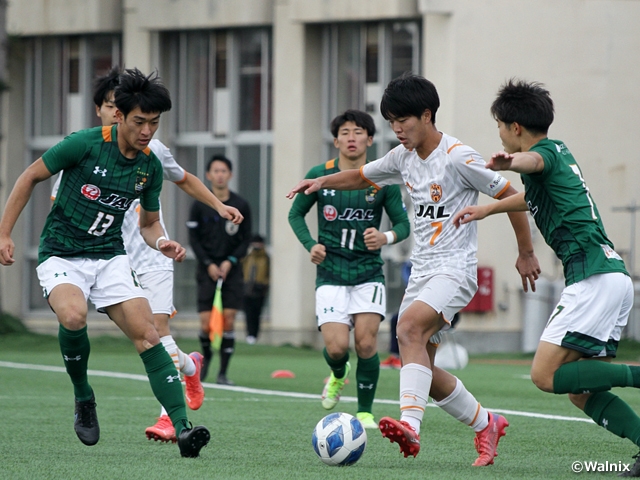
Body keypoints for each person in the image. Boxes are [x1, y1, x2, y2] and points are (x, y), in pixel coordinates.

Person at [287, 74, 540, 465]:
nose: (397, 129)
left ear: (426, 116)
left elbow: (511, 195)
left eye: (402, 121)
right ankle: (486, 423)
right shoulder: (402, 157)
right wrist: (321, 180)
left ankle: (411, 426)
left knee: (406, 330)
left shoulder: (457, 155)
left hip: (455, 270)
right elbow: (360, 175)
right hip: (422, 271)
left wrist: (525, 252)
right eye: (391, 122)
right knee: (425, 369)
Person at [0, 68, 209, 457]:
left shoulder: (149, 166)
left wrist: (161, 241)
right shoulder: (84, 144)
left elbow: (148, 223)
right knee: (74, 316)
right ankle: (83, 396)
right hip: (62, 252)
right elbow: (30, 176)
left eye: (154, 123)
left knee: (148, 335)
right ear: (119, 116)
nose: (147, 131)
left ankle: (183, 429)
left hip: (110, 256)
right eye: (139, 122)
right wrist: (4, 233)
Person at [453, 79, 640, 475]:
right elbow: (533, 193)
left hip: (593, 278)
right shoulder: (560, 153)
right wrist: (488, 210)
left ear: (514, 128)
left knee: (543, 375)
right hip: (609, 277)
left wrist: (507, 163)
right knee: (581, 393)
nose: (500, 133)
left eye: (500, 126)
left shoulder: (542, 155)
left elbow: (531, 163)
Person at [50, 66, 244, 443]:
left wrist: (218, 207)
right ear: (105, 111)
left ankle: (171, 420)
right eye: (109, 107)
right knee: (142, 336)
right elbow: (61, 201)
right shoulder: (85, 149)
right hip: (106, 256)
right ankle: (190, 367)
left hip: (151, 252)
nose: (116, 114)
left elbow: (183, 178)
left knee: (156, 333)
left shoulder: (152, 149)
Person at [288, 109, 411, 429]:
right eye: (345, 132)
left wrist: (384, 236)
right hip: (330, 271)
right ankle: (339, 373)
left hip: (368, 271)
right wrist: (310, 245)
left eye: (358, 132)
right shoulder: (320, 174)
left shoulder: (382, 179)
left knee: (367, 344)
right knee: (337, 347)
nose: (351, 138)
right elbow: (295, 215)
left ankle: (365, 411)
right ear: (335, 140)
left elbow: (402, 224)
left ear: (370, 139)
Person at [188, 155, 252, 385]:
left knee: (228, 321)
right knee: (206, 324)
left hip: (231, 271)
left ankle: (223, 373)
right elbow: (193, 240)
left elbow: (246, 240)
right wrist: (209, 264)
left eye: (224, 171)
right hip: (207, 270)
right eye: (215, 171)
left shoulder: (241, 204)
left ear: (230, 175)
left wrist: (230, 261)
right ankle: (203, 370)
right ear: (208, 175)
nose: (220, 175)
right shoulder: (199, 205)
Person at [242, 234, 270, 345]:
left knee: (256, 313)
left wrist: (264, 285)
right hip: (247, 288)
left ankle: (255, 334)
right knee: (248, 313)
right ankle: (249, 335)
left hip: (259, 290)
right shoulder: (248, 257)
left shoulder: (265, 258)